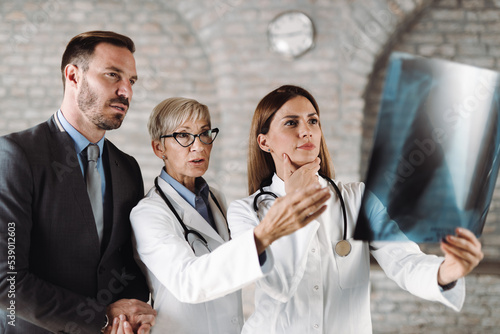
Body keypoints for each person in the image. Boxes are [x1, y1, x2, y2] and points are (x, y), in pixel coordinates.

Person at [227, 84, 484, 333]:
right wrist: (295, 199)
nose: (306, 131)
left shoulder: (357, 198)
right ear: (264, 142)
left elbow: (403, 260)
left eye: (313, 121)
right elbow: (278, 284)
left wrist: (446, 272)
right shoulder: (245, 212)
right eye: (291, 122)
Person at [130, 97, 330, 333]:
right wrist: (263, 235)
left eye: (204, 133)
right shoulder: (148, 214)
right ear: (158, 148)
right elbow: (188, 283)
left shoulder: (215, 198)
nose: (199, 146)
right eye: (183, 136)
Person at [0, 31, 156, 334]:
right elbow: (6, 281)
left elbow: (128, 263)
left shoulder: (127, 167)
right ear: (73, 76)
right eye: (113, 75)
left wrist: (132, 315)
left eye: (132, 81)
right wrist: (102, 319)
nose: (126, 91)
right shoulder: (16, 156)